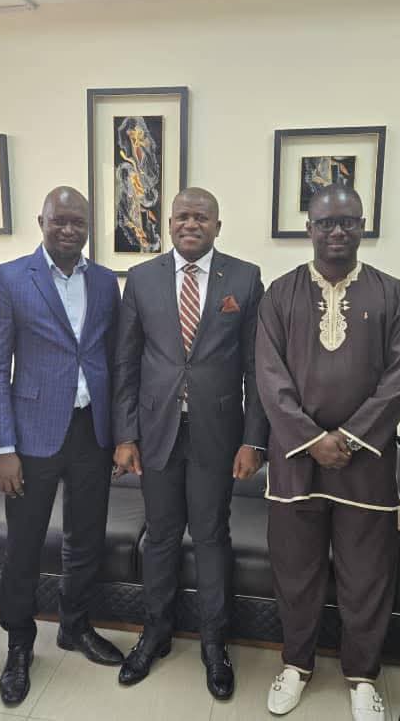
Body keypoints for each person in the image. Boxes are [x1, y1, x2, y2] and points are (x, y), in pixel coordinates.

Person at [255, 185, 400, 720]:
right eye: (326, 223)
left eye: (348, 221)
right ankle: (296, 665)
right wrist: (312, 440)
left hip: (365, 463)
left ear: (363, 227)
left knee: (367, 574)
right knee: (295, 572)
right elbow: (268, 376)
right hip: (295, 461)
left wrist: (348, 438)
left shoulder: (391, 293)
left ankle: (363, 676)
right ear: (309, 228)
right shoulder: (279, 293)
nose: (337, 232)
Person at [112, 187, 268, 698]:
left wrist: (254, 441)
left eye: (202, 217)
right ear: (169, 223)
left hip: (216, 434)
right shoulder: (141, 278)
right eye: (182, 216)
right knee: (160, 536)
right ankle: (154, 633)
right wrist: (125, 434)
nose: (191, 224)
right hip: (156, 432)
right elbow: (126, 362)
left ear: (218, 226)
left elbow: (255, 368)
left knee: (211, 536)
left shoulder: (244, 278)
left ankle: (214, 643)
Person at [0, 186, 123, 706]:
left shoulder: (106, 282)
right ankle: (20, 643)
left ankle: (75, 625)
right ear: (40, 221)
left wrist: (122, 433)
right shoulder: (10, 278)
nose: (68, 229)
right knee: (23, 545)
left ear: (89, 226)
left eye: (77, 221)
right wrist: (2, 446)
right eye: (58, 220)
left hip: (93, 432)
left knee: (86, 538)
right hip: (31, 435)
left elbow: (114, 358)